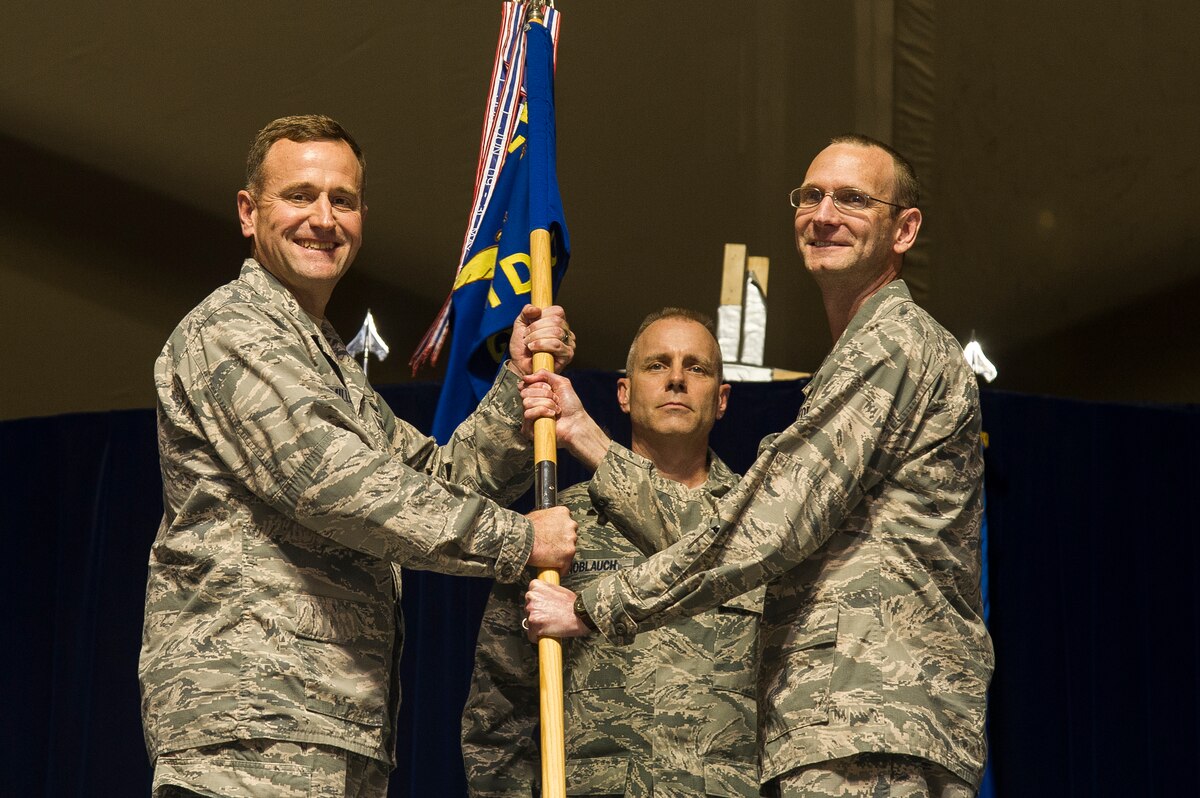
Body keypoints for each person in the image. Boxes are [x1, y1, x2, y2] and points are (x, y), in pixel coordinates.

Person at [524, 135, 993, 797]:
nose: (824, 213)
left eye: (853, 199)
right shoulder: (867, 352)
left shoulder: (893, 345)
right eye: (811, 195)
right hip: (849, 725)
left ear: (904, 229)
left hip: (866, 724)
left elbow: (767, 525)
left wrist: (593, 606)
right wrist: (589, 440)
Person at [139, 114, 578, 798]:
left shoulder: (327, 362)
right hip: (252, 728)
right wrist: (520, 540)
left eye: (342, 200)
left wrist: (517, 383)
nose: (323, 218)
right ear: (249, 214)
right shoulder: (231, 333)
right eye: (300, 195)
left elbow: (439, 478)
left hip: (332, 727)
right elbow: (340, 489)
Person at [462, 309, 764, 797]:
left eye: (697, 368)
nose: (677, 381)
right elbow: (499, 704)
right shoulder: (557, 527)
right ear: (623, 393)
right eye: (657, 365)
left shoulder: (762, 522)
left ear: (722, 399)